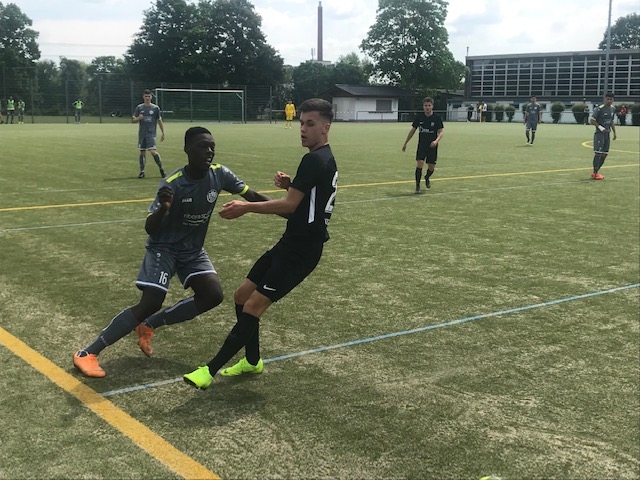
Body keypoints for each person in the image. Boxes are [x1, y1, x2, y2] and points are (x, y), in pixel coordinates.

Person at [73, 126, 271, 378]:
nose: (209, 151)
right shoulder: (173, 183)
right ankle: (87, 353)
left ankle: (148, 326)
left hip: (192, 250)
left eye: (212, 146)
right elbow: (150, 228)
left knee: (212, 295)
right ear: (187, 149)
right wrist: (164, 208)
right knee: (151, 301)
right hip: (164, 248)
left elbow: (251, 195)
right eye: (202, 146)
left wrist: (287, 208)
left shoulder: (220, 174)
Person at [183, 98, 338, 390]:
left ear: (326, 127)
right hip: (290, 243)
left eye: (310, 124)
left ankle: (209, 371)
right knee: (242, 296)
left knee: (254, 305)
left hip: (302, 251)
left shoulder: (315, 159)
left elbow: (290, 206)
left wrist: (247, 207)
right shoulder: (321, 158)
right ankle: (252, 361)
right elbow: (309, 197)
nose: (303, 129)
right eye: (302, 123)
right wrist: (292, 184)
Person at [401, 97, 445, 193]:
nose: (427, 107)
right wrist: (405, 143)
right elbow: (413, 130)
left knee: (431, 167)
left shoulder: (437, 118)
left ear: (432, 106)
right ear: (423, 107)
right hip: (422, 145)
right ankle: (417, 186)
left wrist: (436, 141)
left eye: (429, 105)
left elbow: (441, 132)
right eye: (425, 105)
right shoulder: (419, 117)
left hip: (432, 146)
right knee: (420, 163)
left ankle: (427, 177)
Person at [133, 89, 166, 179]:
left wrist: (163, 133)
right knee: (142, 152)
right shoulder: (139, 108)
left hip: (151, 134)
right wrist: (138, 118)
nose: (147, 98)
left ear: (151, 97)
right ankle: (142, 172)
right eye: (146, 96)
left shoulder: (155, 108)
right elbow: (133, 120)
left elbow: (159, 121)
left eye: (149, 96)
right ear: (143, 97)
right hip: (142, 134)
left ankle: (161, 169)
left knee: (153, 151)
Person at [589, 92, 617, 180]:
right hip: (599, 134)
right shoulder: (599, 109)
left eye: (611, 99)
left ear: (613, 100)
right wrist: (600, 127)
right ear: (605, 99)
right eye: (607, 99)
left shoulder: (613, 109)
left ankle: (596, 172)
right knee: (598, 153)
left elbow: (611, 121)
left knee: (605, 154)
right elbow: (592, 120)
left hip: (607, 134)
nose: (609, 101)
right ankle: (595, 173)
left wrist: (614, 132)